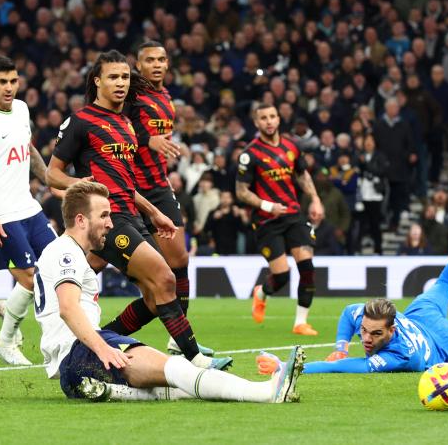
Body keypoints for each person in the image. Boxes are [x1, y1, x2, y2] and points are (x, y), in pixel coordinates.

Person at [34, 181, 304, 402]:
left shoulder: (69, 253)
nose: (110, 223)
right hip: (81, 353)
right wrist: (102, 347)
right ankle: (267, 392)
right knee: (176, 369)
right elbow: (68, 308)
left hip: (76, 363)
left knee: (170, 387)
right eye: (104, 215)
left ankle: (107, 390)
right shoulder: (66, 252)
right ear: (80, 220)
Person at [46, 50, 231, 370]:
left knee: (153, 297)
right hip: (108, 219)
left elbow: (127, 183)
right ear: (97, 81)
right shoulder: (81, 121)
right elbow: (52, 174)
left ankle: (99, 342)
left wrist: (153, 212)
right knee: (164, 277)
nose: (120, 83)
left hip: (131, 213)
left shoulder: (125, 123)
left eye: (125, 77)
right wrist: (82, 185)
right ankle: (196, 360)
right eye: (113, 77)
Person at [256, 201, 448, 374]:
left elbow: (345, 368)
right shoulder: (374, 319)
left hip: (445, 345)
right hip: (418, 317)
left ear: (391, 330)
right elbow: (350, 314)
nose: (367, 338)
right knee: (446, 280)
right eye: (365, 330)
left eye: (375, 334)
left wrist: (287, 366)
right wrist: (340, 346)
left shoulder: (398, 357)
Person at [101, 41, 214, 357]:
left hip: (159, 186)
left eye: (161, 59)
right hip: (130, 186)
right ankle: (49, 297)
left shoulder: (165, 97)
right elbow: (118, 126)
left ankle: (178, 340)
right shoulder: (131, 94)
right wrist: (148, 139)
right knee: (95, 261)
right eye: (149, 59)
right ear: (138, 65)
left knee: (179, 261)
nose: (156, 64)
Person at [0, 56, 57, 366]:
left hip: (29, 207)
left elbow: (27, 149)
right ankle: (4, 342)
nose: (9, 87)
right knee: (31, 279)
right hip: (1, 215)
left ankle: (10, 307)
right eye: (2, 81)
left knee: (57, 267)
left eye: (13, 81)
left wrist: (49, 180)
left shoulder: (21, 109)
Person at [235, 103, 324, 335]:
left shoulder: (292, 146)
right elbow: (241, 191)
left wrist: (315, 199)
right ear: (256, 123)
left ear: (278, 119)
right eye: (263, 118)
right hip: (266, 220)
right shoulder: (250, 154)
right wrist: (267, 205)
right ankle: (261, 293)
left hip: (293, 214)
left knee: (307, 266)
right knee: (282, 275)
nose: (269, 121)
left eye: (272, 116)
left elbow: (302, 175)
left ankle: (300, 323)